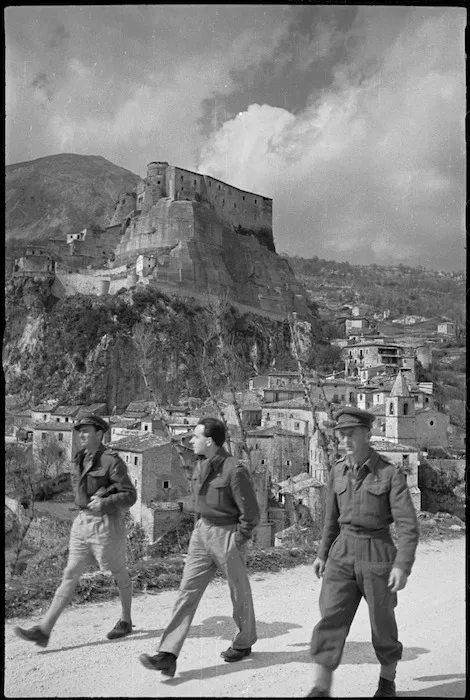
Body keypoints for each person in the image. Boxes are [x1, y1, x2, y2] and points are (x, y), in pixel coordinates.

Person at [307, 407, 419, 698]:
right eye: (341, 435)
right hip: (342, 552)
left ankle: (387, 681)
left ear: (367, 434)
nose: (345, 441)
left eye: (350, 434)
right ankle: (321, 688)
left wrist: (401, 565)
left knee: (382, 623)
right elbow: (330, 520)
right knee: (330, 617)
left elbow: (408, 525)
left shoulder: (389, 474)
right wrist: (322, 554)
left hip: (378, 552)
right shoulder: (337, 471)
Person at [139, 417, 260, 678]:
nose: (191, 441)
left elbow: (251, 514)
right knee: (186, 592)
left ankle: (244, 641)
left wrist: (237, 541)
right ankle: (167, 654)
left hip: (227, 535)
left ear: (210, 441)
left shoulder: (234, 470)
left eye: (196, 436)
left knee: (239, 593)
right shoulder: (201, 464)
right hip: (202, 534)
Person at [14, 414, 137, 648]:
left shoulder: (112, 461)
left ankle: (126, 619)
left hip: (107, 525)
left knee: (117, 572)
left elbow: (130, 495)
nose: (81, 435)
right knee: (70, 574)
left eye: (86, 431)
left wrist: (105, 503)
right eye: (79, 431)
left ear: (100, 434)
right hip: (82, 523)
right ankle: (44, 630)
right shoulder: (78, 458)